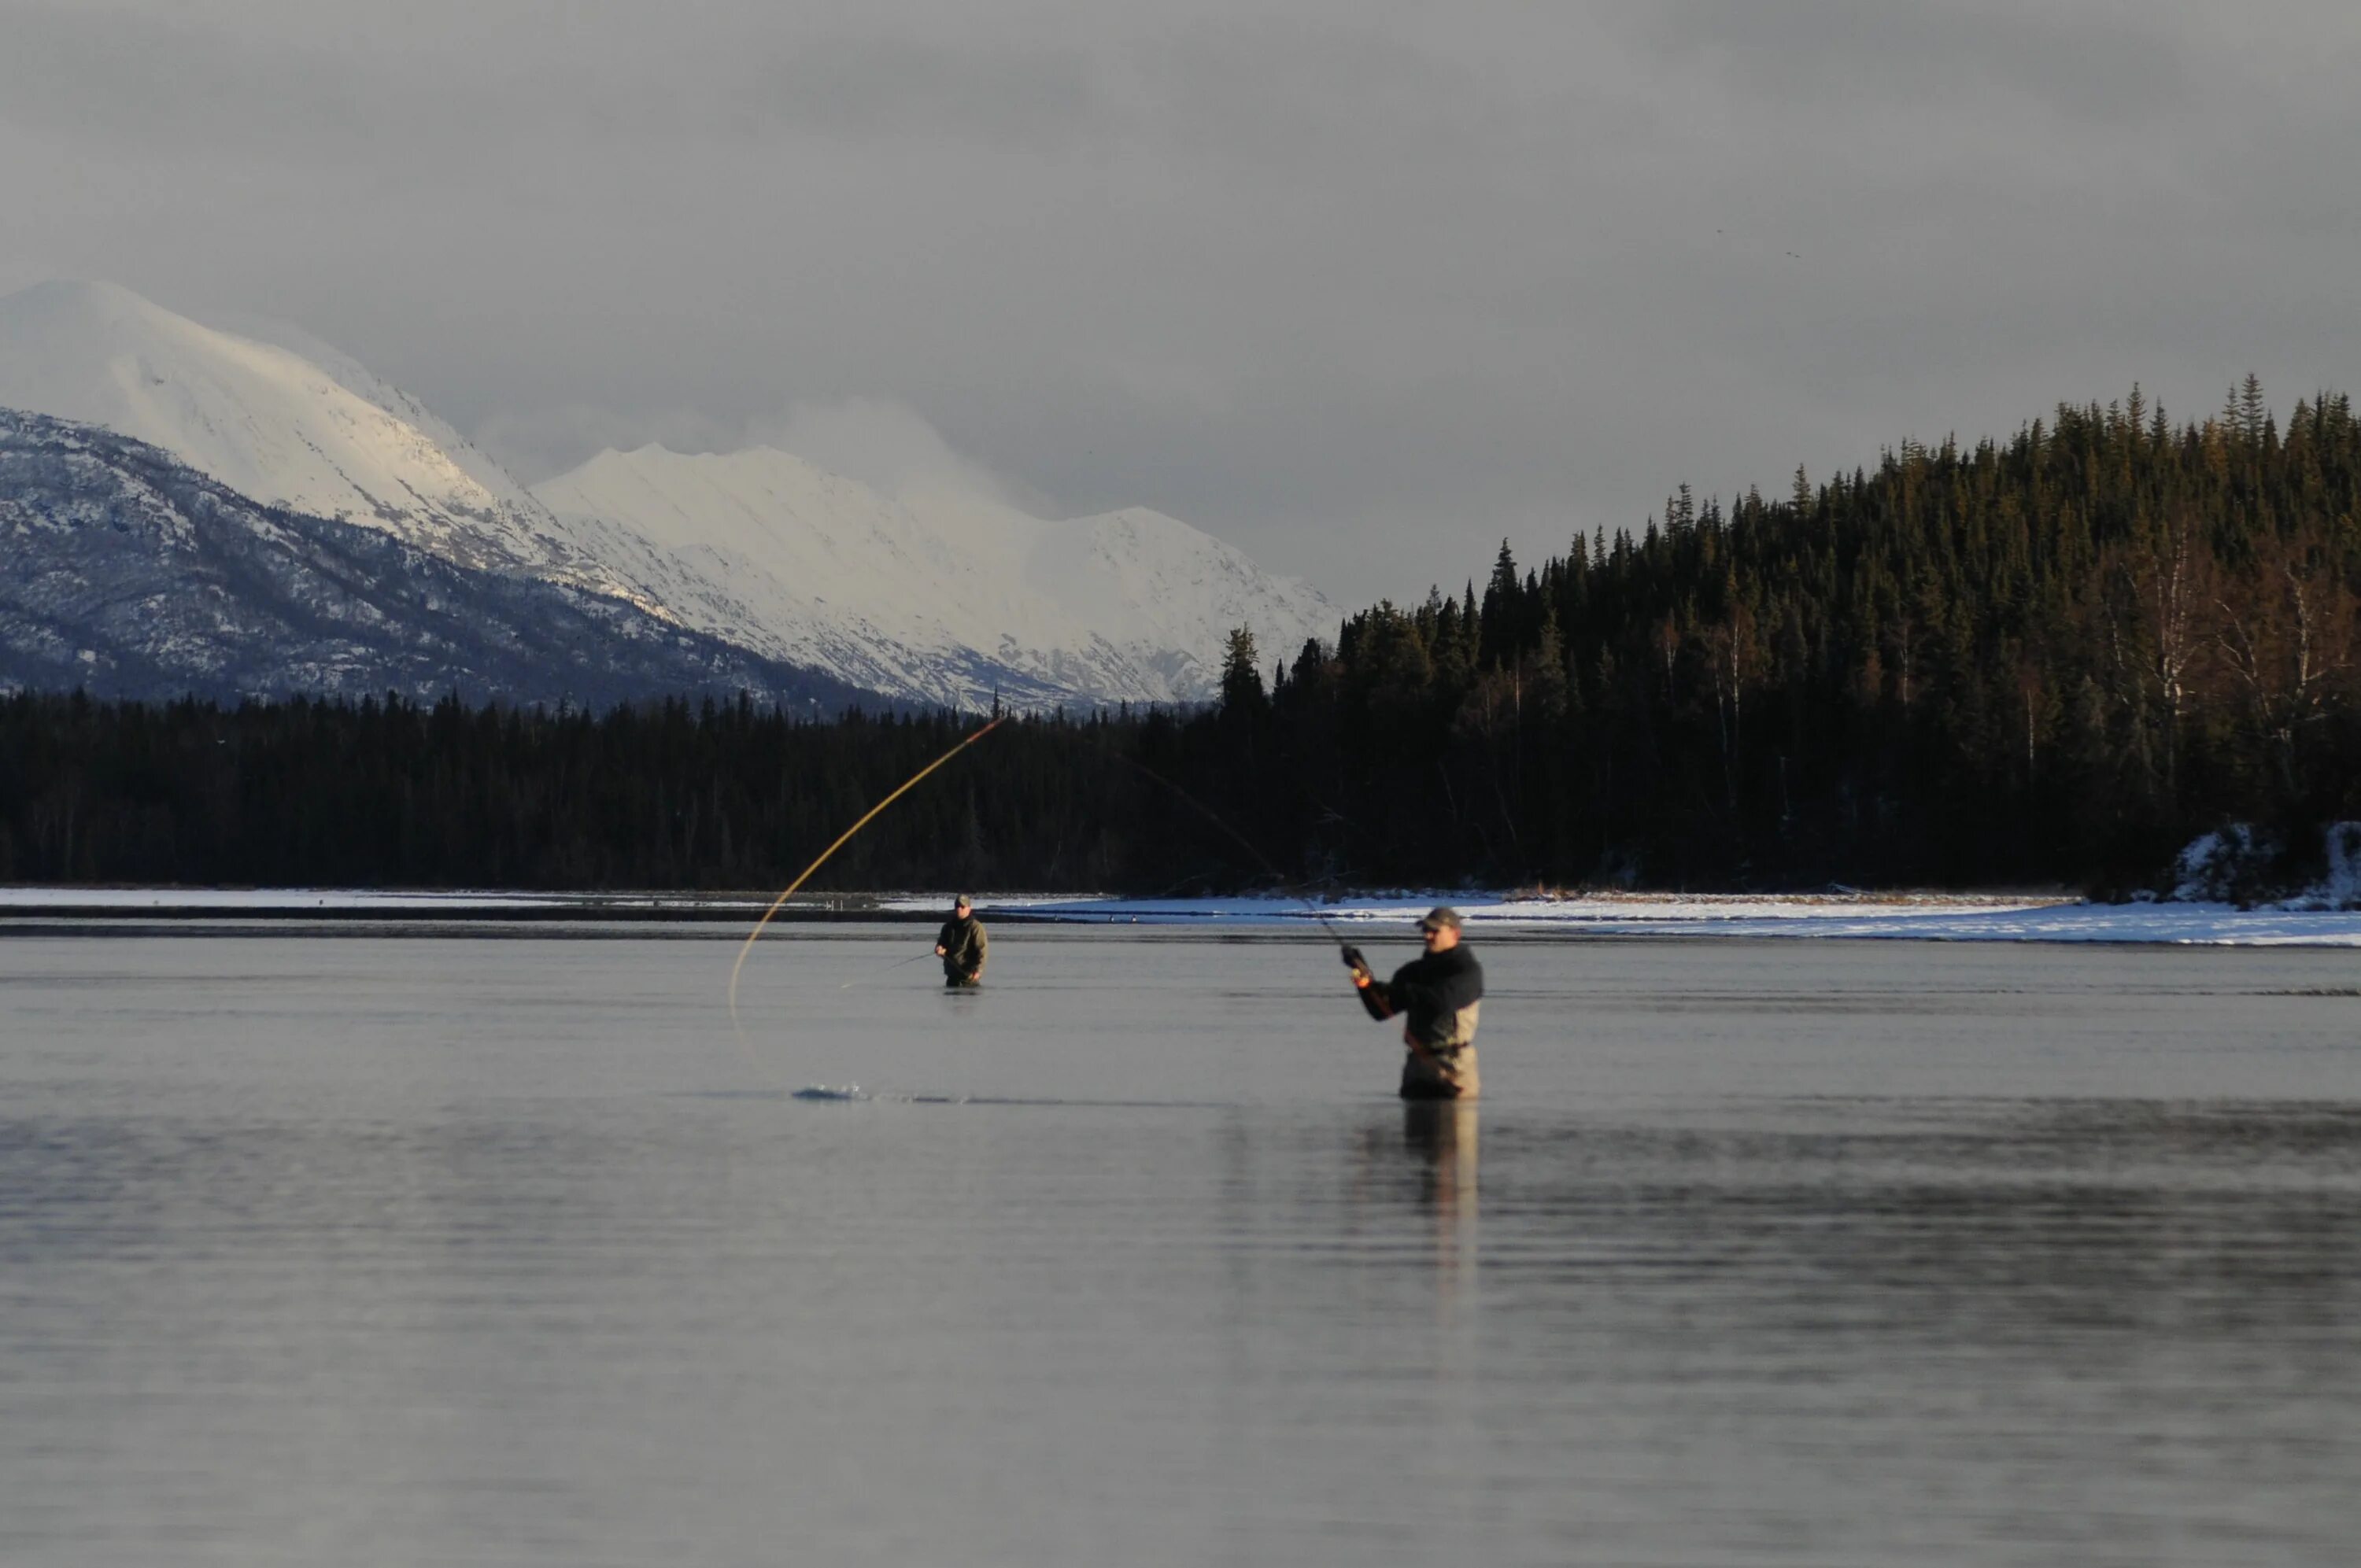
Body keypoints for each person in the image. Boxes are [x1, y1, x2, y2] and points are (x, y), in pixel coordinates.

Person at [1343, 906, 1482, 1099]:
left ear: (1455, 933)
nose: (1428, 936)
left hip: (1455, 1067)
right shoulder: (1413, 971)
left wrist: (1395, 990)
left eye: (1435, 931)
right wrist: (1366, 984)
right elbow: (1381, 1011)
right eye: (1425, 930)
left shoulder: (1467, 971)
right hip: (1417, 1067)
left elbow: (1442, 1001)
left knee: (1453, 1127)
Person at [935, 895, 988, 988]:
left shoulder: (976, 927)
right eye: (957, 906)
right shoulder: (948, 926)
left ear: (969, 909)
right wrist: (939, 948)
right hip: (952, 978)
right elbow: (941, 943)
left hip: (969, 978)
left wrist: (978, 971)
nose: (959, 909)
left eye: (962, 907)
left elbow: (982, 951)